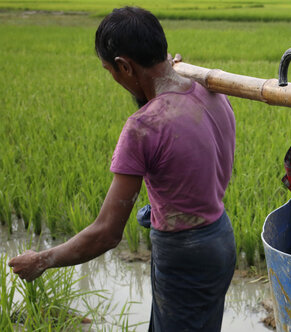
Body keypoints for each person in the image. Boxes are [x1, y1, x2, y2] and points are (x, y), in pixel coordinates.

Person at [8, 7, 237, 331]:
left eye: (110, 70)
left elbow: (107, 233)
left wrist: (42, 260)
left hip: (184, 256)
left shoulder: (143, 128)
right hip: (220, 239)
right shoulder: (211, 92)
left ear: (124, 66)